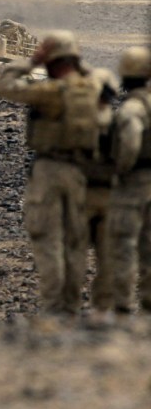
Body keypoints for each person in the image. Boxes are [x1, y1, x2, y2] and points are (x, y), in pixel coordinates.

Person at [0, 30, 101, 316]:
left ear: (51, 61)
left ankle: (56, 307)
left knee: (47, 238)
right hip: (82, 173)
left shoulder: (50, 92)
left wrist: (30, 62)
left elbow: (4, 86)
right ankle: (72, 303)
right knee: (76, 241)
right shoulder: (92, 89)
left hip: (50, 170)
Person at [107, 46, 151, 315]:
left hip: (135, 182)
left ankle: (122, 304)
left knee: (124, 242)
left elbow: (130, 142)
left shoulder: (131, 109)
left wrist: (121, 168)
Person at [84, 68, 120, 323]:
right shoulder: (121, 122)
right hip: (110, 194)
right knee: (109, 255)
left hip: (81, 194)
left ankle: (63, 307)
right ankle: (105, 309)